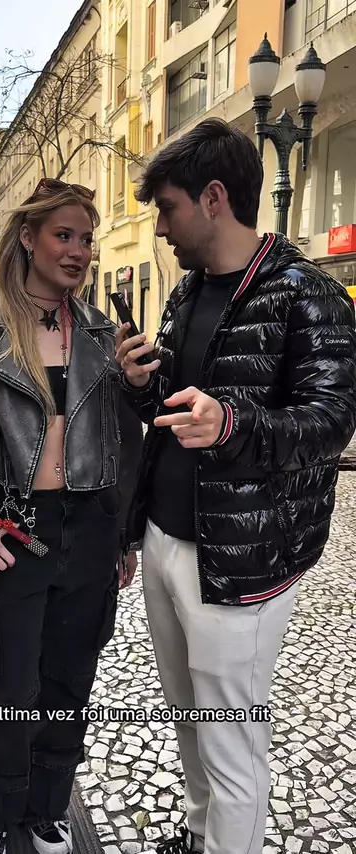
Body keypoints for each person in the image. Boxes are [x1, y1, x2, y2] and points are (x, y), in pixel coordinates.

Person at [116, 119, 356, 854]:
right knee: (189, 721)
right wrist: (143, 384)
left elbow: (330, 423)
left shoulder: (308, 295)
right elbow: (177, 415)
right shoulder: (187, 293)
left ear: (214, 197)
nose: (160, 229)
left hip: (243, 564)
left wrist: (232, 422)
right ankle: (199, 837)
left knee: (231, 746)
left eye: (168, 208)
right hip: (165, 540)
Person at [0, 179, 143, 854]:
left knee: (69, 682)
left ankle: (47, 808)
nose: (78, 251)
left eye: (86, 238)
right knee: (11, 684)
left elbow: (125, 444)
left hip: (92, 531)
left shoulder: (102, 334)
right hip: (17, 528)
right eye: (62, 235)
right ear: (28, 238)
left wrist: (124, 537)